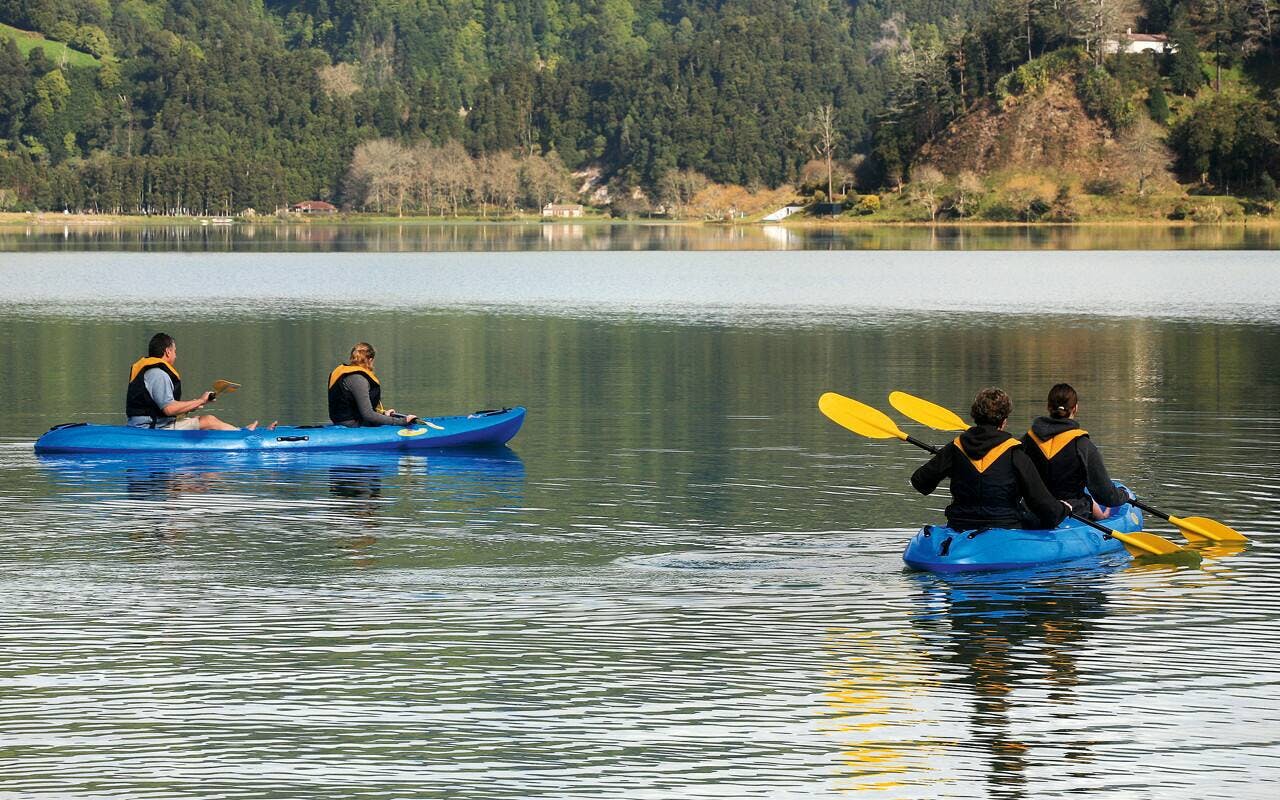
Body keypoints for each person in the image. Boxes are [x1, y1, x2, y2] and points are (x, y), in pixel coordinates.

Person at [911, 387, 1070, 531]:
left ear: (975, 416)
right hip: (1005, 526)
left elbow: (919, 481)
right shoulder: (1015, 453)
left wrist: (957, 470)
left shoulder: (955, 448)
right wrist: (1063, 509)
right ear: (1004, 421)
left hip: (960, 524)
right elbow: (1041, 503)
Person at [1021, 383, 1132, 519]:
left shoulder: (1026, 440)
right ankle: (1102, 517)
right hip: (1074, 512)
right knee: (1090, 503)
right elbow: (1106, 495)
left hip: (1033, 511)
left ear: (1048, 407)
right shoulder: (1083, 445)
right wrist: (1124, 495)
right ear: (1075, 408)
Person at [126, 332, 256, 431]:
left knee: (200, 421)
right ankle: (243, 435)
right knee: (208, 420)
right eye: (175, 351)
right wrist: (201, 401)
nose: (176, 356)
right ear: (168, 352)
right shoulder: (158, 374)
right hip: (150, 429)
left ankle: (236, 432)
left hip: (148, 424)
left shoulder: (151, 371)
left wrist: (193, 405)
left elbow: (164, 408)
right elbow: (169, 409)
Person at [328, 342, 419, 427]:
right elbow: (368, 415)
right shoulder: (358, 379)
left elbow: (355, 407)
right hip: (353, 425)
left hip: (341, 422)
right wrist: (402, 422)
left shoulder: (344, 373)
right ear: (370, 360)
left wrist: (383, 415)